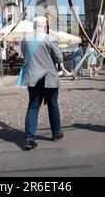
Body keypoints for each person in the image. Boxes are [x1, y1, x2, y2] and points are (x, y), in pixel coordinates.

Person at [19, 16, 64, 150]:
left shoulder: (25, 39)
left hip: (33, 78)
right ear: (45, 26)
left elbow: (24, 55)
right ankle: (56, 133)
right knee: (53, 106)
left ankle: (29, 138)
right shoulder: (49, 39)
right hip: (49, 78)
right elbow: (59, 58)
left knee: (33, 107)